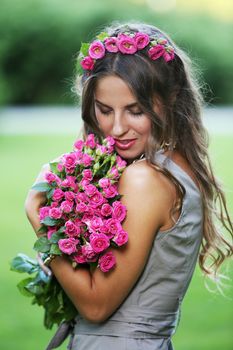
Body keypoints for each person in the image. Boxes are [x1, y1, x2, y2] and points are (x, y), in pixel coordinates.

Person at [25, 22, 233, 350]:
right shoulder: (175, 166)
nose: (118, 128)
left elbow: (96, 306)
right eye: (105, 110)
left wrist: (40, 215)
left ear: (171, 97)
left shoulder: (145, 179)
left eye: (136, 111)